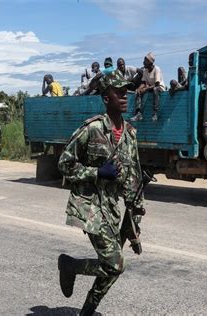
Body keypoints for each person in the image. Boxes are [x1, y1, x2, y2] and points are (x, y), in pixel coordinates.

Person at [57, 70, 145, 315]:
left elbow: (134, 179)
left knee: (111, 267)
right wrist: (96, 172)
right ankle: (74, 275)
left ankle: (73, 271)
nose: (124, 96)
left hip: (111, 209)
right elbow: (64, 164)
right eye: (118, 92)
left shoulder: (130, 134)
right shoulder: (93, 129)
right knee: (115, 265)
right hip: (90, 206)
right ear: (107, 99)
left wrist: (135, 224)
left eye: (126, 92)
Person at [130, 52, 166, 122]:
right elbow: (143, 82)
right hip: (150, 87)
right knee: (139, 91)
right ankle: (138, 114)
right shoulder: (145, 71)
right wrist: (139, 89)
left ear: (150, 62)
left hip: (159, 87)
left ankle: (155, 113)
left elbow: (157, 84)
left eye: (145, 61)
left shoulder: (157, 69)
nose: (143, 63)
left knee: (155, 89)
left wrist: (146, 89)